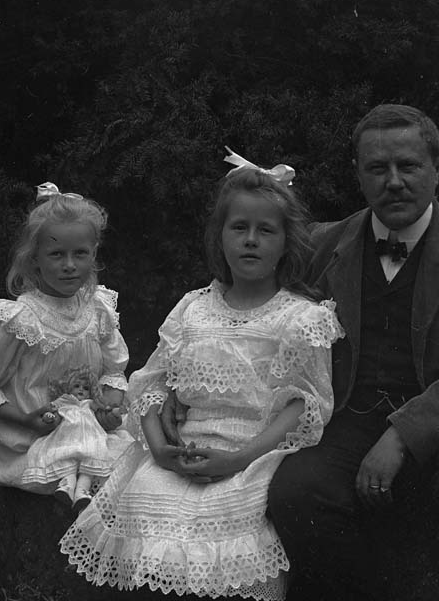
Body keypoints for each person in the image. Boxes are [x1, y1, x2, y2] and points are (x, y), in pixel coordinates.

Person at [266, 104, 439, 601]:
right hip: (347, 419)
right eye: (377, 168)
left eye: (408, 166)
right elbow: (249, 318)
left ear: (437, 168)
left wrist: (400, 435)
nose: (393, 182)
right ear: (359, 175)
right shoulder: (322, 247)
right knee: (295, 491)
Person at [60, 154, 342, 599]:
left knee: (229, 522)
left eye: (265, 230)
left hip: (251, 454)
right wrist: (159, 447)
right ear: (220, 236)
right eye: (239, 228)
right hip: (181, 448)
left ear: (286, 242)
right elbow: (152, 382)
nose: (251, 240)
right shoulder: (193, 308)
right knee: (144, 500)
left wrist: (239, 459)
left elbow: (303, 404)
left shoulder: (298, 317)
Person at [0, 182, 133, 507]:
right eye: (56, 254)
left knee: (128, 457)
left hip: (90, 425)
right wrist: (26, 419)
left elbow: (113, 371)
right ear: (35, 259)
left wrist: (108, 406)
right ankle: (67, 487)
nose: (69, 265)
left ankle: (81, 490)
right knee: (70, 446)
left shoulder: (97, 308)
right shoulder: (22, 319)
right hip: (33, 433)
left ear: (93, 254)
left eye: (79, 254)